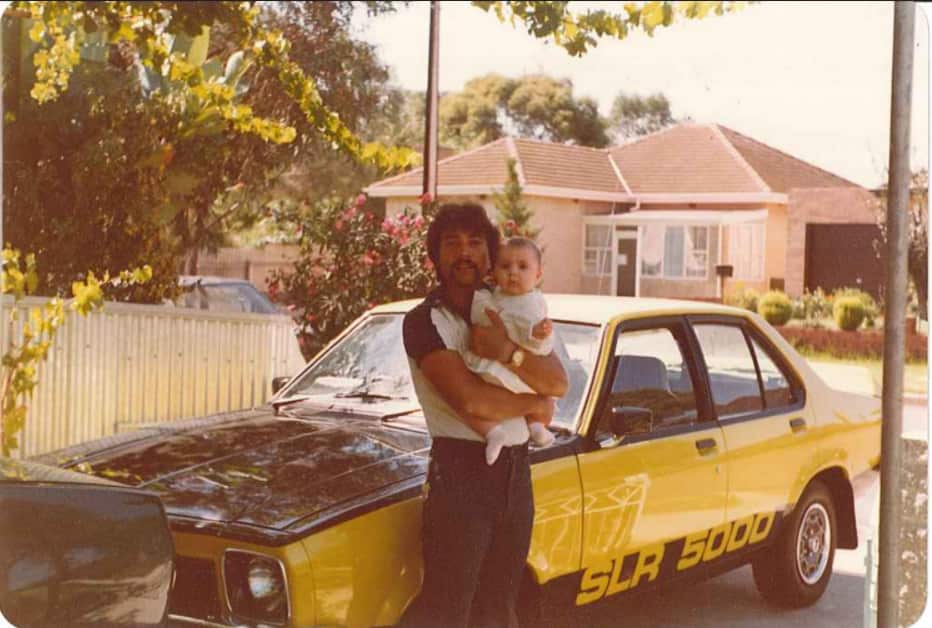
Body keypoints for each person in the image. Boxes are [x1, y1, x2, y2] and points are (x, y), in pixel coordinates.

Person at [398, 203, 568, 628]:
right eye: (451, 244)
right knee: (449, 610)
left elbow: (558, 383)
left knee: (499, 608)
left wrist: (508, 352)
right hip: (460, 477)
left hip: (515, 473)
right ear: (434, 256)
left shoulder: (511, 307)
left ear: (490, 254)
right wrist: (533, 405)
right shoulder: (424, 321)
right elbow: (473, 401)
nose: (464, 253)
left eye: (475, 243)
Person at [457, 237, 556, 465]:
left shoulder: (534, 303)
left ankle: (535, 425)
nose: (513, 273)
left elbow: (541, 347)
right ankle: (493, 433)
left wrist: (538, 334)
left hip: (517, 370)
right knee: (473, 400)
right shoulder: (492, 297)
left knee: (540, 393)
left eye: (522, 267)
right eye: (505, 267)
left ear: (538, 274)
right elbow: (482, 323)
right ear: (493, 272)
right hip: (493, 368)